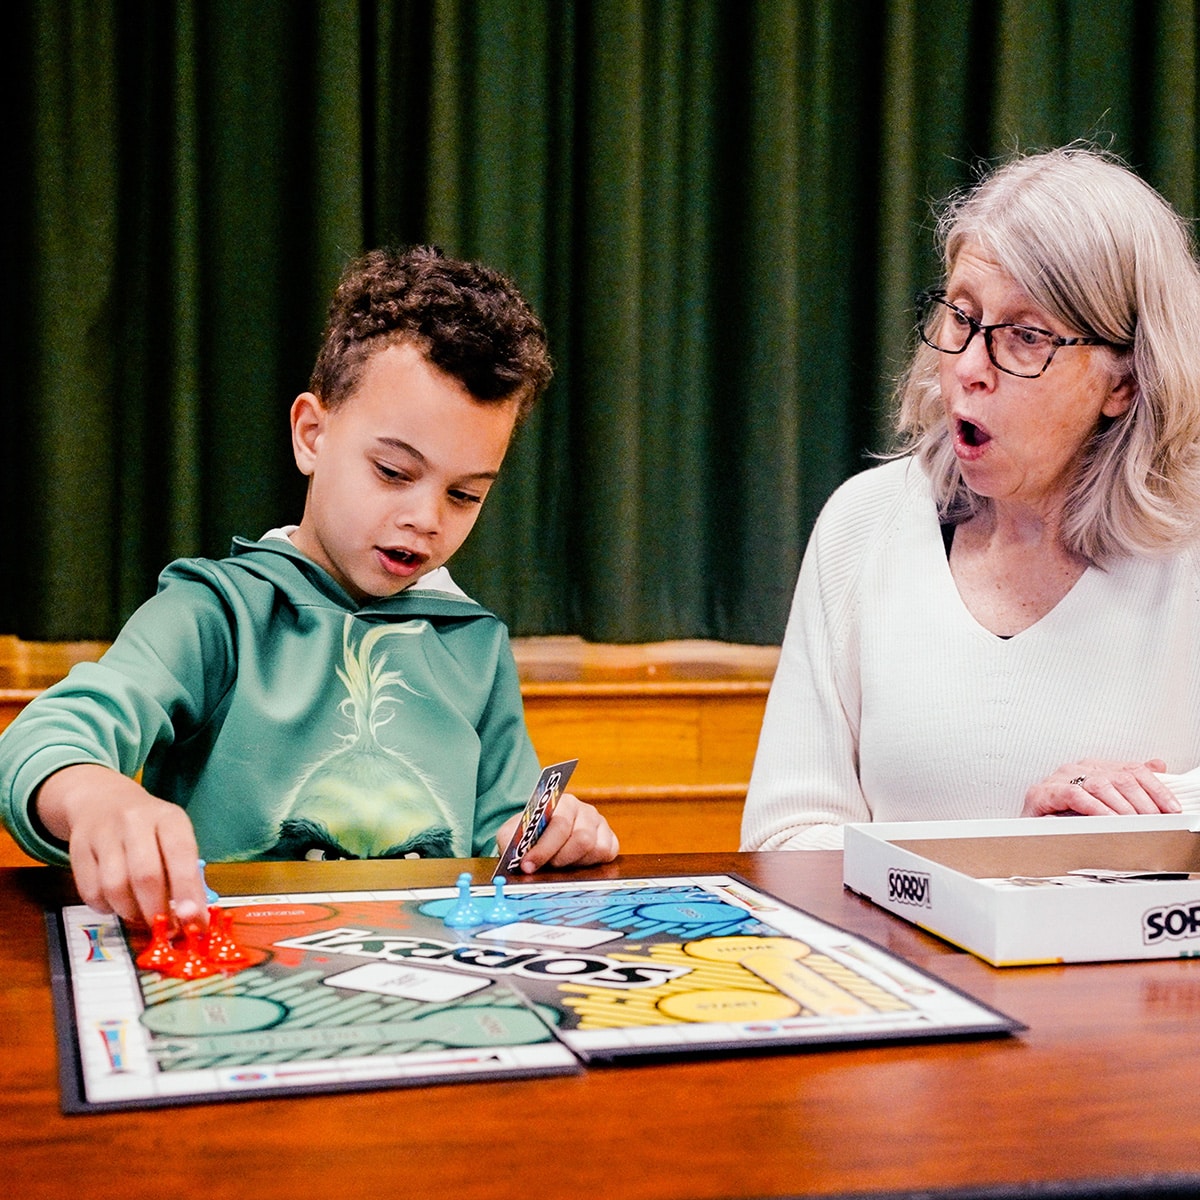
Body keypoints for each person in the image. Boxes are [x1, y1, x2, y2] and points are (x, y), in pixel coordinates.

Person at [0, 246, 618, 921]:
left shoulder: (473, 645)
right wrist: (98, 798)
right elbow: (41, 742)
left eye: (465, 495)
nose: (425, 519)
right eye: (392, 471)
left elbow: (506, 840)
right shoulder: (215, 615)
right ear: (311, 435)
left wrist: (556, 833)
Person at [741, 144, 1200, 851]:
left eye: (1024, 336)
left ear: (1125, 383)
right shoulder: (862, 525)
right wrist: (999, 865)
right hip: (893, 959)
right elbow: (784, 839)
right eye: (961, 314)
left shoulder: (1188, 546)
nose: (968, 366)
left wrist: (1138, 809)